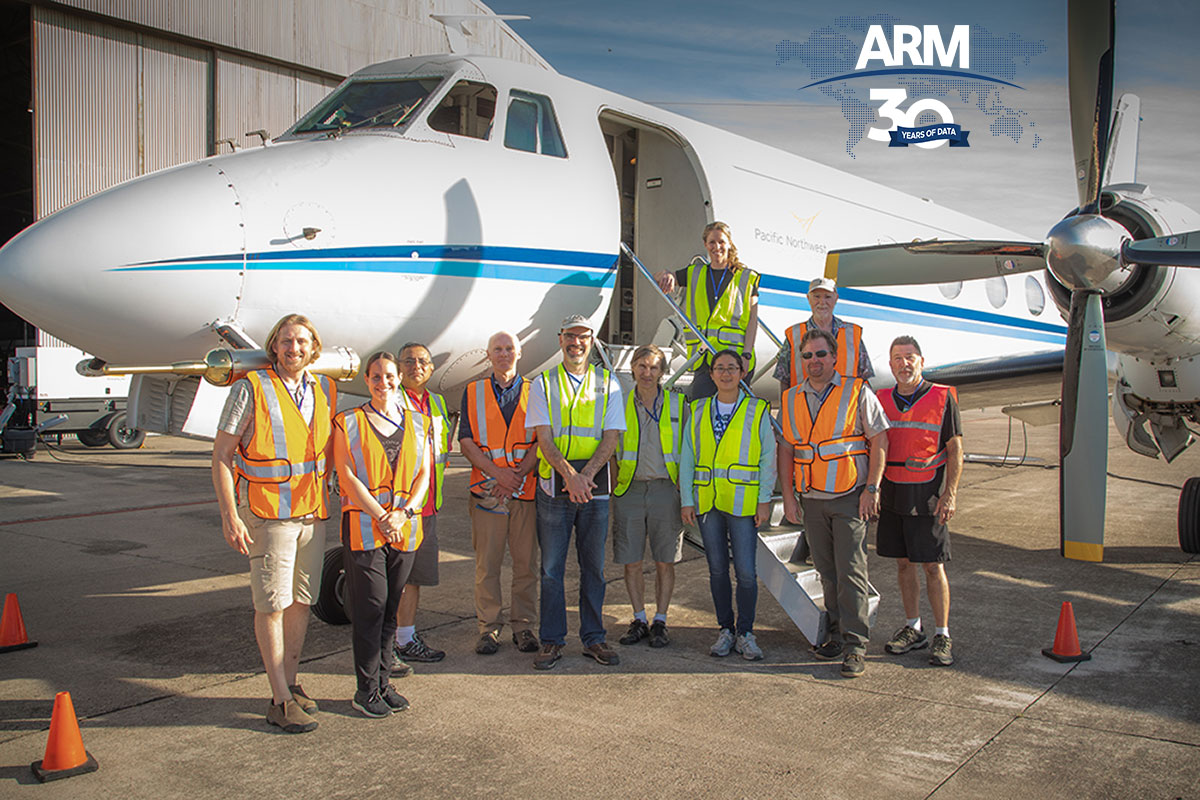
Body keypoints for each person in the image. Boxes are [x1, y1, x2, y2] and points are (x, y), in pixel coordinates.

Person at [211, 313, 335, 733]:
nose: (294, 348)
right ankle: (279, 700)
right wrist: (230, 514)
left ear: (313, 348)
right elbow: (222, 456)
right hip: (268, 514)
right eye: (286, 341)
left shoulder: (324, 388)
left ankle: (292, 683)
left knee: (302, 600)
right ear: (273, 347)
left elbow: (323, 450)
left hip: (311, 515)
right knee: (271, 605)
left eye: (301, 341)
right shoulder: (252, 388)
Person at [778, 328, 889, 678]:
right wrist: (788, 497)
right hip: (811, 500)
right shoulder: (792, 398)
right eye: (807, 356)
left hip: (849, 497)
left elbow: (879, 438)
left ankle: (856, 645)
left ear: (835, 357)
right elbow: (786, 449)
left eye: (821, 354)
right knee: (826, 572)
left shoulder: (857, 391)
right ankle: (838, 633)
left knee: (851, 571)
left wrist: (872, 488)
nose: (814, 361)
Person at [525, 314, 625, 670]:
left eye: (583, 337)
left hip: (593, 485)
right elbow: (544, 439)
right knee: (551, 569)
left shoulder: (609, 383)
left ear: (592, 340)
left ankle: (594, 638)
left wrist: (585, 477)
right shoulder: (543, 383)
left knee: (593, 568)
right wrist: (570, 475)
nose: (576, 343)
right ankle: (551, 640)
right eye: (570, 336)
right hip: (556, 484)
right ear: (560, 339)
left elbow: (611, 438)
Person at [333, 351, 430, 717]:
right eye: (376, 377)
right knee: (370, 607)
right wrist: (381, 515)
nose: (383, 383)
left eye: (389, 376)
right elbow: (347, 475)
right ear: (367, 381)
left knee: (391, 608)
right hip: (365, 528)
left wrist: (402, 513)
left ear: (399, 379)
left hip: (403, 528)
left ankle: (384, 683)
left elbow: (423, 474)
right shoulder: (349, 422)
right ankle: (365, 689)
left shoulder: (420, 423)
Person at [680, 349, 776, 661]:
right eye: (719, 368)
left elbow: (767, 459)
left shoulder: (757, 409)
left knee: (746, 572)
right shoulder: (697, 409)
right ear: (711, 375)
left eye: (731, 368)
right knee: (717, 569)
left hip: (744, 504)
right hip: (708, 502)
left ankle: (746, 632)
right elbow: (687, 457)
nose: (725, 373)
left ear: (742, 372)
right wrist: (686, 500)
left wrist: (764, 501)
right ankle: (726, 629)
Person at [877, 336, 963, 667]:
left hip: (928, 495)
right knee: (902, 564)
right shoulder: (882, 398)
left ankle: (942, 633)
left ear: (921, 361)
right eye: (897, 358)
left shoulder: (942, 397)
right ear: (890, 365)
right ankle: (914, 627)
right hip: (894, 493)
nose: (904, 363)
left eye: (910, 357)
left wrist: (950, 493)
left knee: (932, 565)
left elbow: (955, 448)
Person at [458, 331, 541, 655]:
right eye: (498, 349)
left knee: (525, 566)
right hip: (487, 493)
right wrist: (500, 476)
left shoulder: (537, 391)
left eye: (509, 349)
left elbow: (541, 441)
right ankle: (488, 629)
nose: (504, 354)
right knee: (487, 567)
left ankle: (524, 627)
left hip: (523, 493)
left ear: (519, 354)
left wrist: (515, 477)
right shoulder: (473, 391)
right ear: (488, 355)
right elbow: (466, 441)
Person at [612, 344, 688, 649]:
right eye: (642, 366)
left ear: (662, 372)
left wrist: (686, 493)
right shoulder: (618, 403)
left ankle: (661, 620)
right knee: (631, 560)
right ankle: (639, 618)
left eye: (654, 367)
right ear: (632, 368)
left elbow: (689, 448)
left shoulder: (677, 404)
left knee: (664, 560)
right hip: (629, 488)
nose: (647, 373)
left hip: (665, 489)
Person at [392, 342, 454, 668]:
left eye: (423, 361)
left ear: (431, 368)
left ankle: (405, 638)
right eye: (410, 361)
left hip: (428, 507)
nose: (417, 366)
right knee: (391, 580)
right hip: (400, 508)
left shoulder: (438, 403)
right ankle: (386, 642)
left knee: (413, 578)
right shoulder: (392, 400)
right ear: (400, 367)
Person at [655, 221, 760, 400]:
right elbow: (661, 277)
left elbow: (752, 320)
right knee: (701, 410)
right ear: (705, 244)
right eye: (712, 242)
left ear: (729, 244)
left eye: (721, 242)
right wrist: (665, 273)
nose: (717, 247)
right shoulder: (694, 273)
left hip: (735, 360)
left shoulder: (746, 277)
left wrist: (747, 355)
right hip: (703, 359)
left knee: (734, 413)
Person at [776, 277, 873, 394]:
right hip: (804, 408)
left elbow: (865, 377)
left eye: (827, 297)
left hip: (844, 409)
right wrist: (785, 409)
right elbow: (784, 378)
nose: (822, 302)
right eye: (817, 296)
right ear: (808, 299)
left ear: (836, 299)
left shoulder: (852, 334)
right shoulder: (794, 335)